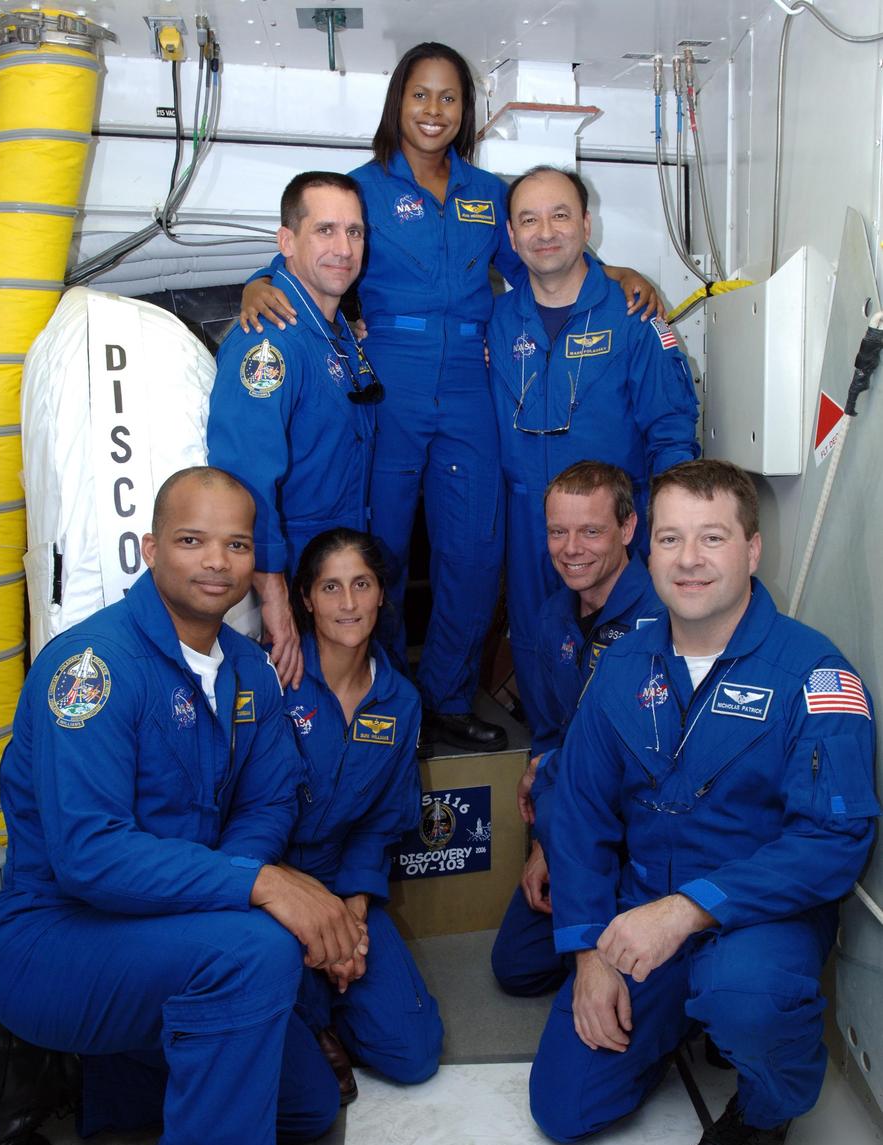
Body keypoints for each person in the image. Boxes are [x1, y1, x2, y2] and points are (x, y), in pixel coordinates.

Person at [0, 467, 366, 1145]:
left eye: (236, 543)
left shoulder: (247, 670)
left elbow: (270, 799)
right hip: (54, 937)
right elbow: (90, 855)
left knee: (304, 1107)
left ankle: (74, 1072)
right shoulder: (90, 668)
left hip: (165, 940)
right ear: (151, 547)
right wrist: (261, 887)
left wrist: (237, 878)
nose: (217, 562)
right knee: (255, 954)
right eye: (192, 540)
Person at [239, 42, 662, 754]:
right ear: (397, 103)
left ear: (466, 110)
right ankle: (381, 694)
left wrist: (613, 271)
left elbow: (542, 262)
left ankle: (446, 696)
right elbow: (313, 254)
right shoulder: (364, 189)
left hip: (469, 382)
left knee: (474, 552)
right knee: (379, 551)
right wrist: (258, 283)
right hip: (388, 384)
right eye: (420, 94)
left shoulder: (487, 195)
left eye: (449, 97)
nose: (434, 110)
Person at [528, 459, 878, 1145]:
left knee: (745, 994)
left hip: (755, 922)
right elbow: (580, 813)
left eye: (711, 537)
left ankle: (766, 1108)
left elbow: (832, 841)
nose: (688, 559)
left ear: (752, 549)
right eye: (670, 538)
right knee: (565, 1108)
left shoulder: (814, 675)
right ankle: (681, 1019)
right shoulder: (623, 665)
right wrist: (589, 952)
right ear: (647, 548)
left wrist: (687, 910)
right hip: (640, 916)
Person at [488, 165, 700, 729]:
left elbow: (672, 433)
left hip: (616, 524)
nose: (545, 232)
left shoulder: (634, 316)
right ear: (511, 237)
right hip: (529, 523)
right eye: (529, 220)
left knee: (630, 657)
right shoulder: (497, 321)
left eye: (560, 215)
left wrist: (669, 531)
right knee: (535, 644)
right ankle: (551, 759)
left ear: (586, 225)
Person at [283, 527, 444, 1102]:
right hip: (268, 884)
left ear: (381, 594)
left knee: (414, 1053)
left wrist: (351, 917)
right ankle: (308, 1015)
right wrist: (305, 909)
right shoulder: (273, 678)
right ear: (307, 599)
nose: (348, 603)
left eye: (362, 584)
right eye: (330, 587)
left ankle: (319, 1002)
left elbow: (380, 823)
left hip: (342, 880)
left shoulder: (400, 701)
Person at [490, 461, 662, 997]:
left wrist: (551, 780)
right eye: (557, 532)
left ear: (628, 528)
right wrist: (548, 844)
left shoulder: (665, 615)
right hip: (579, 823)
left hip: (650, 831)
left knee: (624, 979)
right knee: (516, 967)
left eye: (590, 531)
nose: (570, 549)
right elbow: (550, 739)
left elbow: (649, 755)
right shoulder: (551, 619)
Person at [207, 171, 379, 693]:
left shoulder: (334, 332)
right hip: (293, 574)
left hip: (337, 564)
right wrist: (274, 596)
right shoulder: (269, 343)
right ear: (287, 241)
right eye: (325, 230)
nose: (344, 248)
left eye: (354, 232)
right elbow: (244, 481)